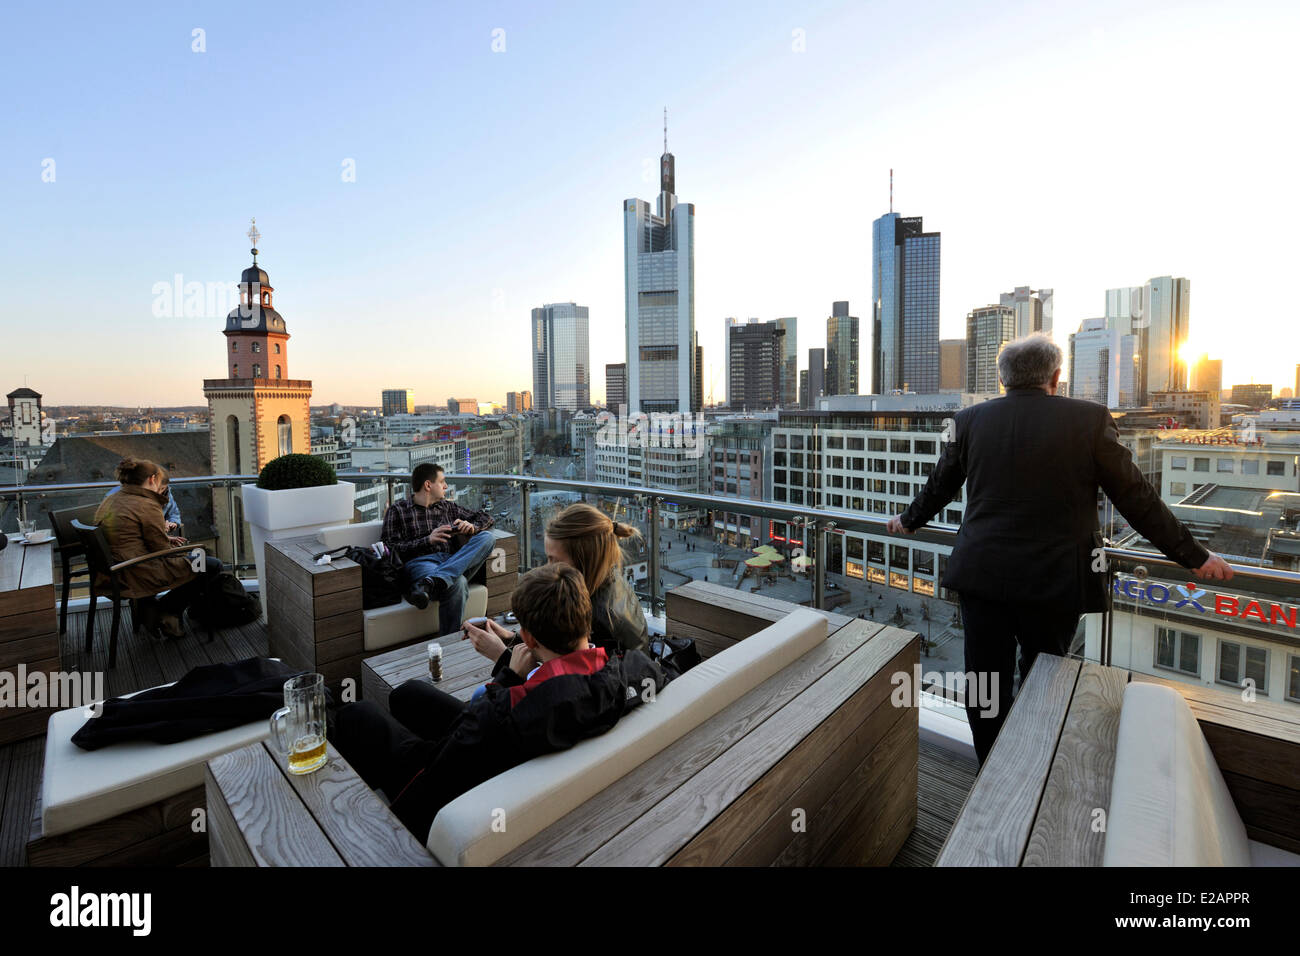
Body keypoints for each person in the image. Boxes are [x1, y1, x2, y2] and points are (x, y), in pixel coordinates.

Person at [887, 334, 1233, 765]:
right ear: (1056, 377)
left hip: (983, 577)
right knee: (1044, 680)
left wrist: (908, 520)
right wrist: (1195, 556)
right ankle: (1032, 769)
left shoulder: (970, 420)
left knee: (985, 686)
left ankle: (991, 769)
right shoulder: (1089, 420)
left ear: (1002, 379)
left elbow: (940, 485)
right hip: (1054, 581)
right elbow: (1136, 498)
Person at [331, 563, 670, 841]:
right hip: (513, 742)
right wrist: (513, 652)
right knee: (409, 694)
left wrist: (508, 674)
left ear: (531, 638)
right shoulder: (634, 669)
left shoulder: (506, 709)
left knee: (358, 714)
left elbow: (453, 757)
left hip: (455, 779)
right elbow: (562, 683)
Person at [464, 502, 648, 661]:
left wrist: (501, 656)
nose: (547, 567)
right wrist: (511, 638)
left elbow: (571, 690)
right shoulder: (607, 583)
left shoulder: (599, 619)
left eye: (554, 560)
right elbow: (563, 655)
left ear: (584, 561)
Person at [92, 458, 224, 639]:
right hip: (137, 572)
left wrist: (167, 540)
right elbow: (160, 549)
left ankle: (152, 608)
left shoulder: (112, 499)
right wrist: (177, 548)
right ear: (152, 479)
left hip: (116, 570)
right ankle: (166, 610)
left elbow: (128, 536)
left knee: (195, 560)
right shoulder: (146, 504)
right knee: (209, 564)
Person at [381, 463, 495, 636]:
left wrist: (472, 526)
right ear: (428, 485)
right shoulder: (398, 510)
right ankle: (449, 645)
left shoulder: (447, 507)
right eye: (442, 481)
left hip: (452, 560)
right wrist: (427, 540)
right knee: (458, 583)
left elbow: (486, 517)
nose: (446, 486)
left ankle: (432, 582)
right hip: (421, 564)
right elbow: (389, 549)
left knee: (487, 537)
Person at [105, 479, 183, 539]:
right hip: (139, 551)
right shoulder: (129, 499)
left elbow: (174, 512)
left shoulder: (167, 493)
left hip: (152, 540)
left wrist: (173, 522)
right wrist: (161, 529)